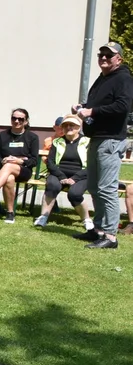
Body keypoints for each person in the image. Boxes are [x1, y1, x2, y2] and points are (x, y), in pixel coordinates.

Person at [73, 41, 133, 249]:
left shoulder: (123, 78)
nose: (104, 58)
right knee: (94, 187)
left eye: (109, 55)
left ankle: (110, 236)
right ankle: (98, 230)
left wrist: (93, 112)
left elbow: (123, 106)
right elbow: (99, 104)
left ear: (119, 59)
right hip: (97, 137)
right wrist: (84, 107)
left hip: (111, 140)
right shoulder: (103, 78)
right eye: (101, 55)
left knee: (107, 188)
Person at [34, 115, 93, 230]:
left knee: (74, 194)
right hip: (59, 174)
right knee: (52, 185)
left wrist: (74, 179)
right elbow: (50, 162)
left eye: (72, 125)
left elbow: (92, 165)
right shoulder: (57, 142)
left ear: (78, 127)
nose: (68, 127)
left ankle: (86, 219)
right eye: (65, 125)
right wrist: (61, 176)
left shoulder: (88, 142)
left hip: (81, 175)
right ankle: (43, 216)